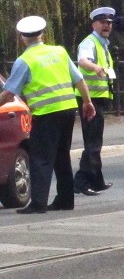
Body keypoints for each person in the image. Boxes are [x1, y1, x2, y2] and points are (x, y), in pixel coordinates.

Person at [0, 16, 95, 214]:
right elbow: (79, 80)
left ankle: (39, 203)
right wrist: (87, 102)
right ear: (42, 34)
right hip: (68, 110)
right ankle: (66, 200)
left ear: (22, 38)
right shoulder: (59, 51)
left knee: (40, 159)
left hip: (46, 114)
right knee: (62, 155)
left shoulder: (24, 60)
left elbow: (9, 93)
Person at [74, 6, 117, 196]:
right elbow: (82, 61)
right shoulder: (89, 42)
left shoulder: (103, 44)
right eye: (103, 23)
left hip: (97, 99)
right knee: (93, 142)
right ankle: (81, 181)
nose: (106, 26)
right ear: (94, 24)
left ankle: (97, 180)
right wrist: (96, 67)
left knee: (95, 140)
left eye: (109, 23)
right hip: (88, 100)